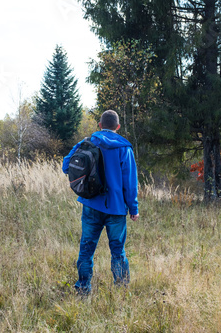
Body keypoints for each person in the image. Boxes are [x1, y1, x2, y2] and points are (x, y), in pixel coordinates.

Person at [62, 110, 139, 295]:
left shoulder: (87, 142)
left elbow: (66, 165)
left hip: (91, 205)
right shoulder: (124, 148)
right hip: (117, 209)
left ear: (100, 125)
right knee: (118, 251)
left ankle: (83, 290)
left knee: (86, 249)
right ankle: (120, 291)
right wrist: (133, 208)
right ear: (118, 127)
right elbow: (130, 182)